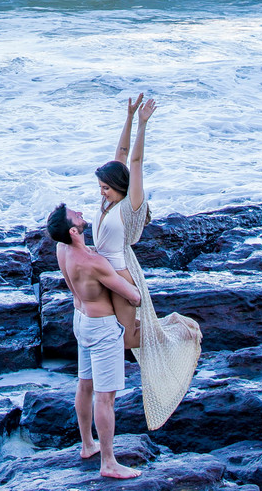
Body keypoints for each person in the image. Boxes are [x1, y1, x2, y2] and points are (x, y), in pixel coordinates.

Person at [92, 94, 202, 430]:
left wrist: (143, 124)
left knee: (126, 339)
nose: (101, 192)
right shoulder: (111, 198)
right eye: (100, 186)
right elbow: (122, 156)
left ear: (121, 189)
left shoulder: (130, 206)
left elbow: (135, 162)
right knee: (119, 333)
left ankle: (179, 331)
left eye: (106, 188)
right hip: (107, 273)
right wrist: (127, 116)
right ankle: (161, 328)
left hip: (123, 276)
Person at [48, 203, 143, 480]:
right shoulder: (93, 263)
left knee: (85, 384)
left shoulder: (62, 249)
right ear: (74, 230)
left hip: (81, 320)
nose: (80, 212)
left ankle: (88, 444)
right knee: (106, 397)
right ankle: (109, 462)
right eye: (75, 216)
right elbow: (134, 296)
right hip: (101, 328)